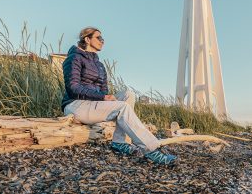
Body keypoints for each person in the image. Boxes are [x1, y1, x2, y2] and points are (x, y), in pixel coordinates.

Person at [61, 27, 178, 165]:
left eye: (102, 38)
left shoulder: (99, 65)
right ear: (87, 39)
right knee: (122, 108)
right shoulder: (74, 58)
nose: (102, 41)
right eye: (98, 38)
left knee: (128, 95)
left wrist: (106, 97)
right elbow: (73, 88)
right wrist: (103, 98)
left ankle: (119, 142)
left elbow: (103, 90)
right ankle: (152, 150)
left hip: (93, 104)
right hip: (76, 105)